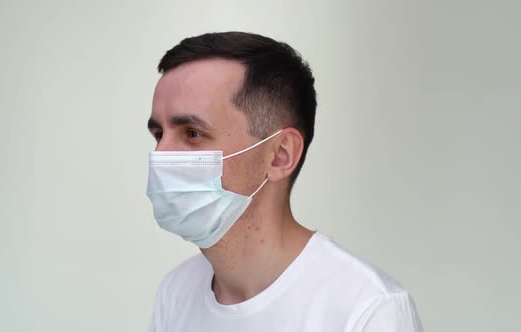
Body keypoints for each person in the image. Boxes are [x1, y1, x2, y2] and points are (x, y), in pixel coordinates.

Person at [145, 31, 423, 332]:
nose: (161, 154)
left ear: (279, 155)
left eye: (192, 133)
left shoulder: (366, 308)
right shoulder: (176, 293)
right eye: (159, 134)